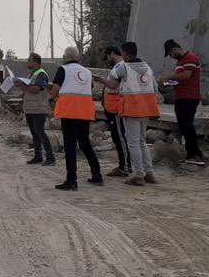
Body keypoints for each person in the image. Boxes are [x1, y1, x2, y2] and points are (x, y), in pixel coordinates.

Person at [100, 41, 160, 186]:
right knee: (142, 142)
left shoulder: (124, 67)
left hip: (131, 108)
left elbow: (112, 80)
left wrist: (100, 79)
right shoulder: (148, 68)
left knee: (133, 143)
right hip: (147, 108)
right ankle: (149, 173)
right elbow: (155, 88)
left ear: (125, 53)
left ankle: (138, 175)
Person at [49, 46, 103, 191]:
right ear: (78, 57)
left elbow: (54, 91)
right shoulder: (87, 72)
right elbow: (88, 89)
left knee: (70, 147)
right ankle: (97, 174)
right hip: (85, 112)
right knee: (85, 143)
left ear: (64, 57)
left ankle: (71, 180)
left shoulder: (63, 70)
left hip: (69, 112)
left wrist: (50, 94)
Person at [158, 39, 205, 167]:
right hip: (181, 96)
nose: (171, 57)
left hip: (189, 97)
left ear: (174, 50)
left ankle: (195, 154)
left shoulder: (190, 58)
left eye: (170, 54)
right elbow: (180, 79)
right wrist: (167, 83)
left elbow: (186, 76)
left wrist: (168, 77)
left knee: (187, 125)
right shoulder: (180, 62)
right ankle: (190, 153)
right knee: (183, 125)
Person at [12, 53, 56, 166]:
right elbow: (28, 89)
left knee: (40, 132)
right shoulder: (32, 74)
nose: (27, 62)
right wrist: (21, 85)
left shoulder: (41, 74)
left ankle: (50, 157)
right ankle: (38, 156)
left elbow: (36, 89)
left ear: (35, 62)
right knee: (35, 133)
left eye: (29, 60)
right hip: (31, 108)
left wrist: (22, 86)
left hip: (39, 108)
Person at [96, 46, 131, 177]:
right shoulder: (117, 67)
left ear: (111, 54)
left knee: (120, 137)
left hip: (115, 108)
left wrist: (101, 79)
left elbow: (113, 85)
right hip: (112, 107)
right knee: (117, 137)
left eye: (107, 57)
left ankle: (125, 165)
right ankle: (124, 164)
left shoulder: (121, 66)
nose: (107, 61)